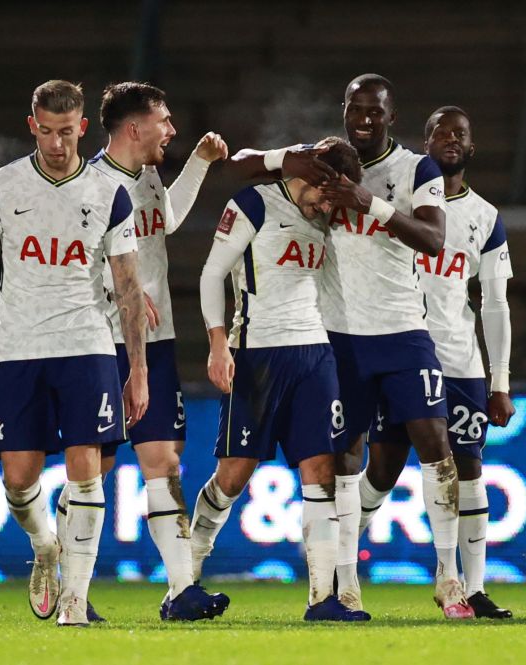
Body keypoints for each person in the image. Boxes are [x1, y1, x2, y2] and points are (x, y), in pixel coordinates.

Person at [0, 80, 149, 627]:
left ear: (83, 127)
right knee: (18, 478)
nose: (58, 143)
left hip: (86, 343)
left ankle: (74, 602)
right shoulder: (1, 187)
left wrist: (136, 370)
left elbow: (129, 288)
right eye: (47, 131)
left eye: (67, 132)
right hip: (19, 347)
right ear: (32, 126)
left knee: (86, 469)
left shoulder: (109, 194)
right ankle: (45, 546)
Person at [62, 81, 228, 622]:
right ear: (135, 128)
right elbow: (68, 260)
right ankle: (66, 578)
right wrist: (121, 293)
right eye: (165, 120)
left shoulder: (149, 176)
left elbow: (162, 219)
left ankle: (182, 590)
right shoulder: (87, 185)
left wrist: (199, 164)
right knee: (96, 467)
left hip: (155, 344)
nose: (173, 130)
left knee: (164, 459)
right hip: (104, 341)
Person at [189, 137, 370, 621]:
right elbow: (211, 275)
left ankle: (322, 599)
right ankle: (184, 581)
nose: (330, 205)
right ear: (311, 175)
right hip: (256, 355)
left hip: (314, 355)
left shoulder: (325, 222)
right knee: (233, 477)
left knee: (321, 473)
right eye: (328, 192)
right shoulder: (254, 203)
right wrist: (218, 343)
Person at [317, 74, 473, 619]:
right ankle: (346, 581)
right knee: (344, 456)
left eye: (374, 112)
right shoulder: (322, 165)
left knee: (436, 447)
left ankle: (449, 577)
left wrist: (369, 203)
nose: (363, 120)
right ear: (344, 111)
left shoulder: (416, 169)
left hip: (404, 331)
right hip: (340, 334)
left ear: (391, 116)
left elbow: (433, 239)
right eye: (355, 110)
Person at [360, 106, 515, 619]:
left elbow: (494, 303)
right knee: (381, 472)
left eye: (461, 133)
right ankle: (334, 564)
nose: (451, 139)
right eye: (440, 132)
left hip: (459, 360)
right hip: (399, 349)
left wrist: (501, 381)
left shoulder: (486, 218)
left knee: (468, 470)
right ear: (423, 142)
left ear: (472, 146)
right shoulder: (395, 199)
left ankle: (469, 586)